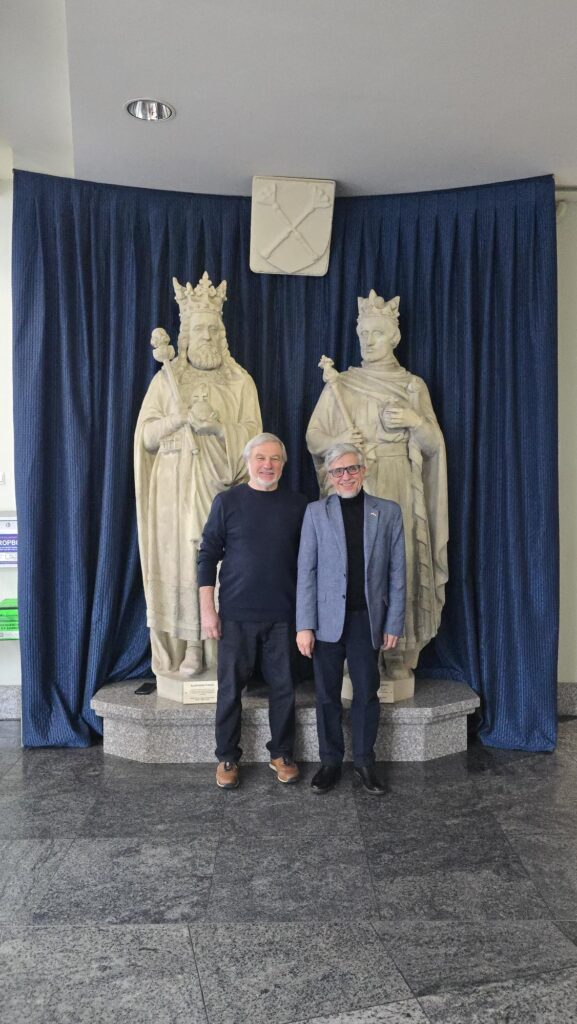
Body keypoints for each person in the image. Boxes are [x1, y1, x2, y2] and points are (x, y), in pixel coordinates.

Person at [306, 290, 447, 693]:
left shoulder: (412, 386)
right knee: (351, 564)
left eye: (377, 333)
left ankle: (397, 649)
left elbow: (434, 446)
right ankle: (351, 651)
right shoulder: (342, 384)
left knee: (397, 562)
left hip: (396, 479)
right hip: (354, 482)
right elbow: (314, 436)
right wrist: (338, 440)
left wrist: (416, 422)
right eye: (364, 334)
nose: (369, 341)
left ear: (394, 337)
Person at [134, 273, 261, 682]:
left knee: (221, 566)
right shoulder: (166, 380)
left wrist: (218, 429)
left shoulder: (240, 382)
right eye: (199, 329)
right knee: (184, 567)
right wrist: (175, 419)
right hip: (174, 489)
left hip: (223, 485)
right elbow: (145, 438)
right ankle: (190, 646)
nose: (206, 336)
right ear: (185, 334)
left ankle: (221, 649)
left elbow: (255, 438)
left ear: (222, 334)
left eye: (212, 329)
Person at [198, 433, 308, 790]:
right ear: (248, 462)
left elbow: (309, 563)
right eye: (261, 458)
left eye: (275, 459)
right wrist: (208, 611)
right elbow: (207, 556)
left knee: (284, 688)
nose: (268, 465)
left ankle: (282, 753)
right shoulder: (227, 502)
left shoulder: (298, 505)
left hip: (284, 615)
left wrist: (307, 618)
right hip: (235, 614)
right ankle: (227, 756)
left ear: (283, 464)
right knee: (230, 690)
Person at [296, 443, 405, 795]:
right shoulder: (316, 513)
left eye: (352, 468)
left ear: (364, 469)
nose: (345, 476)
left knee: (366, 693)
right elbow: (306, 572)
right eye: (338, 471)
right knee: (326, 695)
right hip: (326, 621)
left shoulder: (388, 512)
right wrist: (304, 625)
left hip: (366, 620)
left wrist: (393, 622)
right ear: (329, 476)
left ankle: (364, 763)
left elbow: (397, 572)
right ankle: (330, 762)